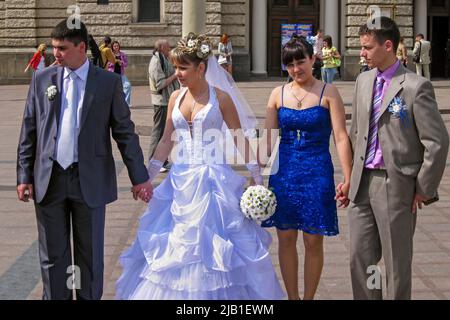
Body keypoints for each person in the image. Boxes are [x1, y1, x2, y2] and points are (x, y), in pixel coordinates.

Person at [115, 33, 285, 300]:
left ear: (201, 68)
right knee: (176, 248)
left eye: (183, 67)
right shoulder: (175, 99)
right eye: (176, 67)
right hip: (181, 181)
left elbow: (240, 140)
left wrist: (257, 179)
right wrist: (145, 178)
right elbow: (164, 142)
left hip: (214, 181)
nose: (178, 73)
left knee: (218, 250)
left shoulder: (221, 99)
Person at [16, 18, 152, 300]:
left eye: (62, 48)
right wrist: (23, 176)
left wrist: (139, 178)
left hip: (88, 180)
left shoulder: (107, 83)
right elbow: (29, 129)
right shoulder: (43, 80)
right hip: (49, 179)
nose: (56, 54)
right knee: (53, 256)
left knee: (88, 256)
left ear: (81, 48)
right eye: (54, 47)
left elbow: (125, 133)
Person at [346, 17, 449, 300]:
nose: (362, 54)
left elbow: (437, 142)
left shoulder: (416, 86)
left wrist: (423, 188)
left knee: (395, 262)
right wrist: (349, 177)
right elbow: (356, 131)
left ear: (388, 46)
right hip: (361, 183)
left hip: (395, 184)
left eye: (367, 47)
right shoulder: (363, 80)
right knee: (360, 258)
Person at [261, 35, 353, 300]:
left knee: (314, 240)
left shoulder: (328, 92)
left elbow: (340, 137)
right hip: (284, 175)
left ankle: (309, 297)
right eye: (289, 64)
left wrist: (348, 177)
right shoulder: (276, 94)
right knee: (286, 239)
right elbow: (268, 140)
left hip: (317, 173)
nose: (296, 69)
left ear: (313, 59)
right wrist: (254, 173)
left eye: (301, 62)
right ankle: (292, 297)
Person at [148, 39, 180, 172]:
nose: (170, 49)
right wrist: (175, 75)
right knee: (158, 131)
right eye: (167, 47)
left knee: (166, 133)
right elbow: (160, 84)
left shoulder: (164, 59)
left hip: (167, 101)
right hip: (161, 102)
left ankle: (163, 160)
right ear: (161, 48)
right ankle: (152, 161)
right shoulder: (156, 62)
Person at [108, 40, 132, 107]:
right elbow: (107, 64)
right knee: (111, 90)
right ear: (112, 47)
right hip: (112, 74)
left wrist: (121, 63)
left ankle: (126, 103)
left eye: (117, 46)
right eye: (114, 46)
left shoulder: (122, 54)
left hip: (121, 74)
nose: (116, 47)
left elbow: (126, 64)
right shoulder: (110, 54)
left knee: (128, 86)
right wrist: (114, 62)